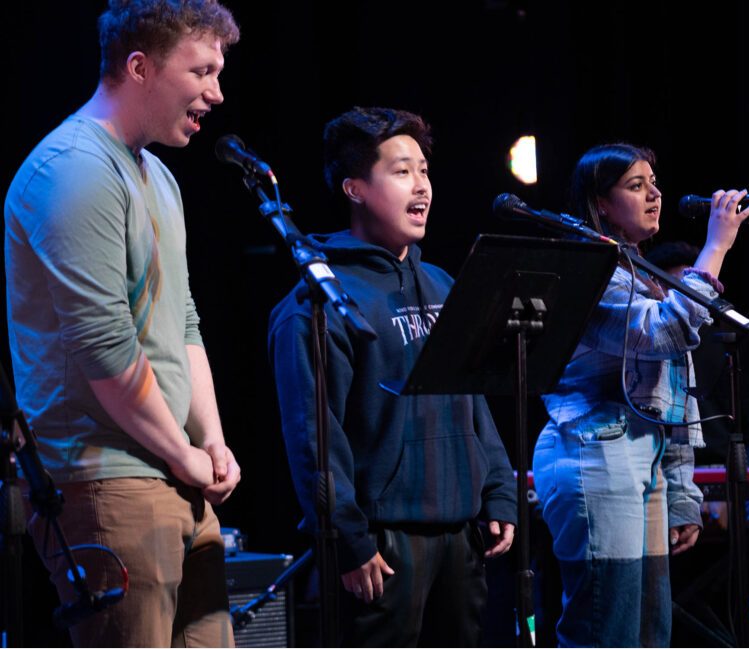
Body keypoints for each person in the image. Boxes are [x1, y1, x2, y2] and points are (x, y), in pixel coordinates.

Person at [4, 1, 241, 646]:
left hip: (174, 474)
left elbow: (183, 320)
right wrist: (184, 455)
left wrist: (211, 442)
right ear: (140, 67)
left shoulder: (160, 176)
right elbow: (103, 345)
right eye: (203, 72)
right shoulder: (75, 170)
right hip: (107, 482)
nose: (217, 93)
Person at [268, 106, 518, 647]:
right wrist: (346, 539)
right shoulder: (319, 301)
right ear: (355, 187)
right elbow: (315, 435)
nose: (421, 185)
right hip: (382, 544)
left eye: (424, 170)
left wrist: (499, 488)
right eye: (402, 171)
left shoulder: (442, 283)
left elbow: (472, 397)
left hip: (460, 534)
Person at [531, 143, 749, 647]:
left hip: (641, 456)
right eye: (636, 186)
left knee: (651, 631)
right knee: (606, 631)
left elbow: (671, 392)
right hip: (594, 453)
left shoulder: (642, 275)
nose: (655, 194)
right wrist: (715, 247)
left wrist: (680, 493)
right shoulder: (588, 274)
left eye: (654, 181)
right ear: (601, 204)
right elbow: (661, 336)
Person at [646, 240, 749, 637]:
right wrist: (689, 496)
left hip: (734, 488)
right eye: (676, 290)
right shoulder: (650, 346)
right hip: (671, 487)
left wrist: (742, 490)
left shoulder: (734, 347)